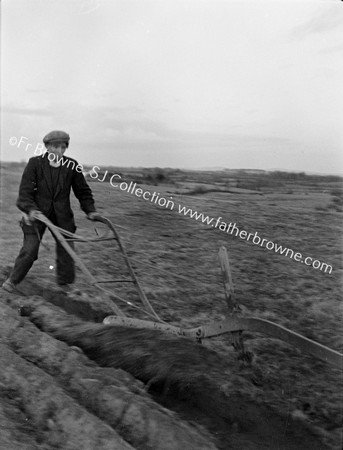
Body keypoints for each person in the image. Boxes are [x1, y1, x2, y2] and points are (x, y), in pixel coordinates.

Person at [2, 130, 100, 294]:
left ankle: (65, 286)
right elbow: (25, 193)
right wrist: (31, 210)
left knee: (67, 251)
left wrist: (91, 211)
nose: (59, 151)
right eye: (55, 146)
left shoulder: (72, 166)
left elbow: (83, 191)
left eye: (63, 147)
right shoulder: (35, 164)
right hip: (36, 215)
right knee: (30, 249)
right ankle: (12, 281)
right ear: (47, 146)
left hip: (62, 217)